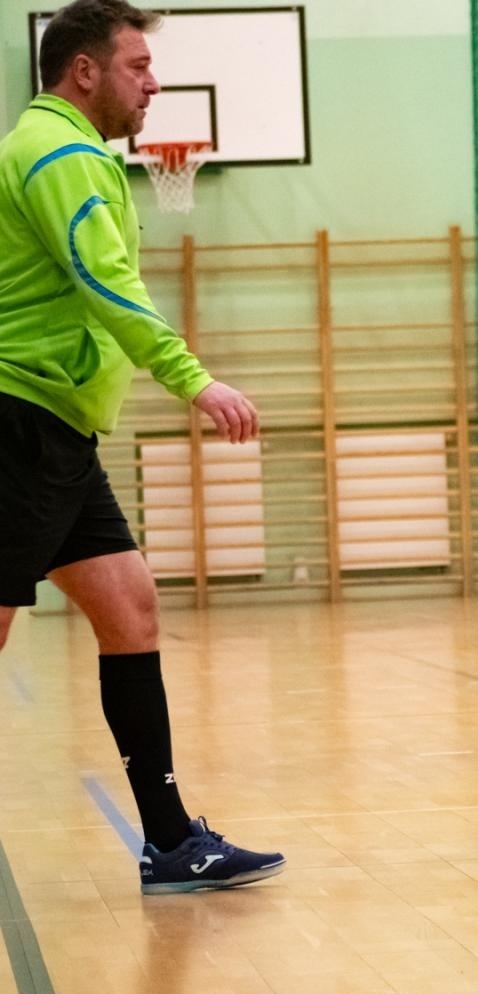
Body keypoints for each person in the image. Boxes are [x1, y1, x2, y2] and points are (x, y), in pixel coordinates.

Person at [0, 0, 283, 893]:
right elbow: (103, 279)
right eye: (137, 67)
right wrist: (192, 377)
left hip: (58, 428)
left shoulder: (52, 149)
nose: (154, 83)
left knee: (131, 609)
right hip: (19, 419)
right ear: (84, 71)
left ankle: (168, 840)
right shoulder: (63, 153)